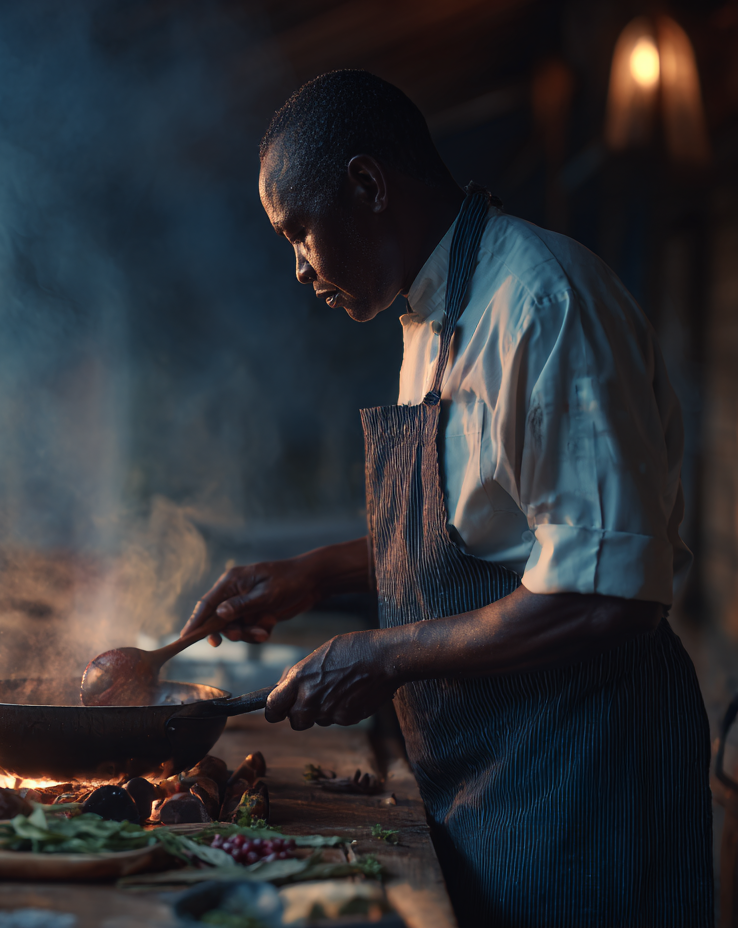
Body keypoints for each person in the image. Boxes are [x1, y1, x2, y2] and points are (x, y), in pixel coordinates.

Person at [182, 70, 712, 927]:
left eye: (299, 232)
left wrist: (384, 656)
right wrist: (316, 573)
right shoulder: (429, 319)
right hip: (486, 778)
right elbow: (484, 529)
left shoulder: (542, 304)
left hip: (585, 776)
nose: (297, 267)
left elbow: (609, 597)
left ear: (367, 183)